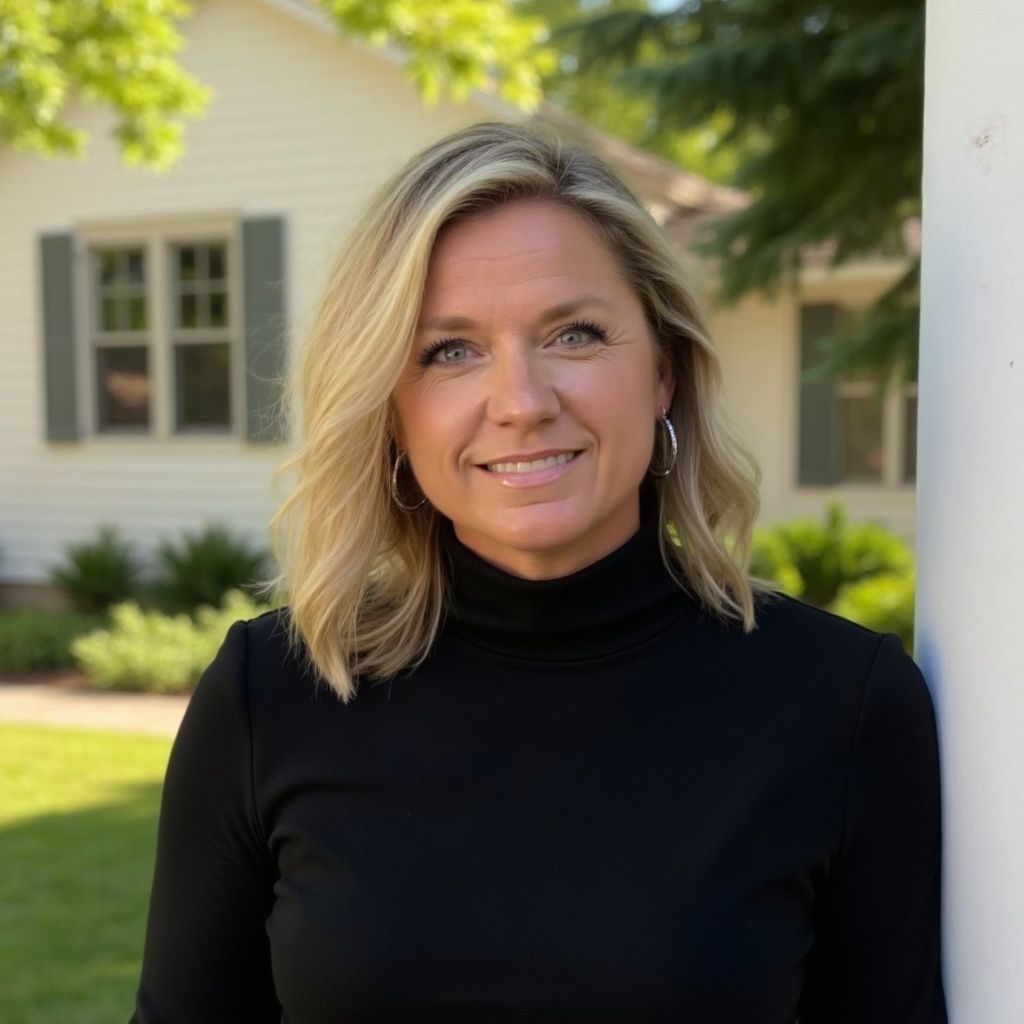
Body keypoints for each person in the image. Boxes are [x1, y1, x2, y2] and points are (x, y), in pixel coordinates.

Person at [130, 122, 947, 1023]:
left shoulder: (843, 705)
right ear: (390, 407)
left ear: (665, 372)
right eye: (449, 351)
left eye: (576, 334)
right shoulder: (271, 695)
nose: (521, 402)